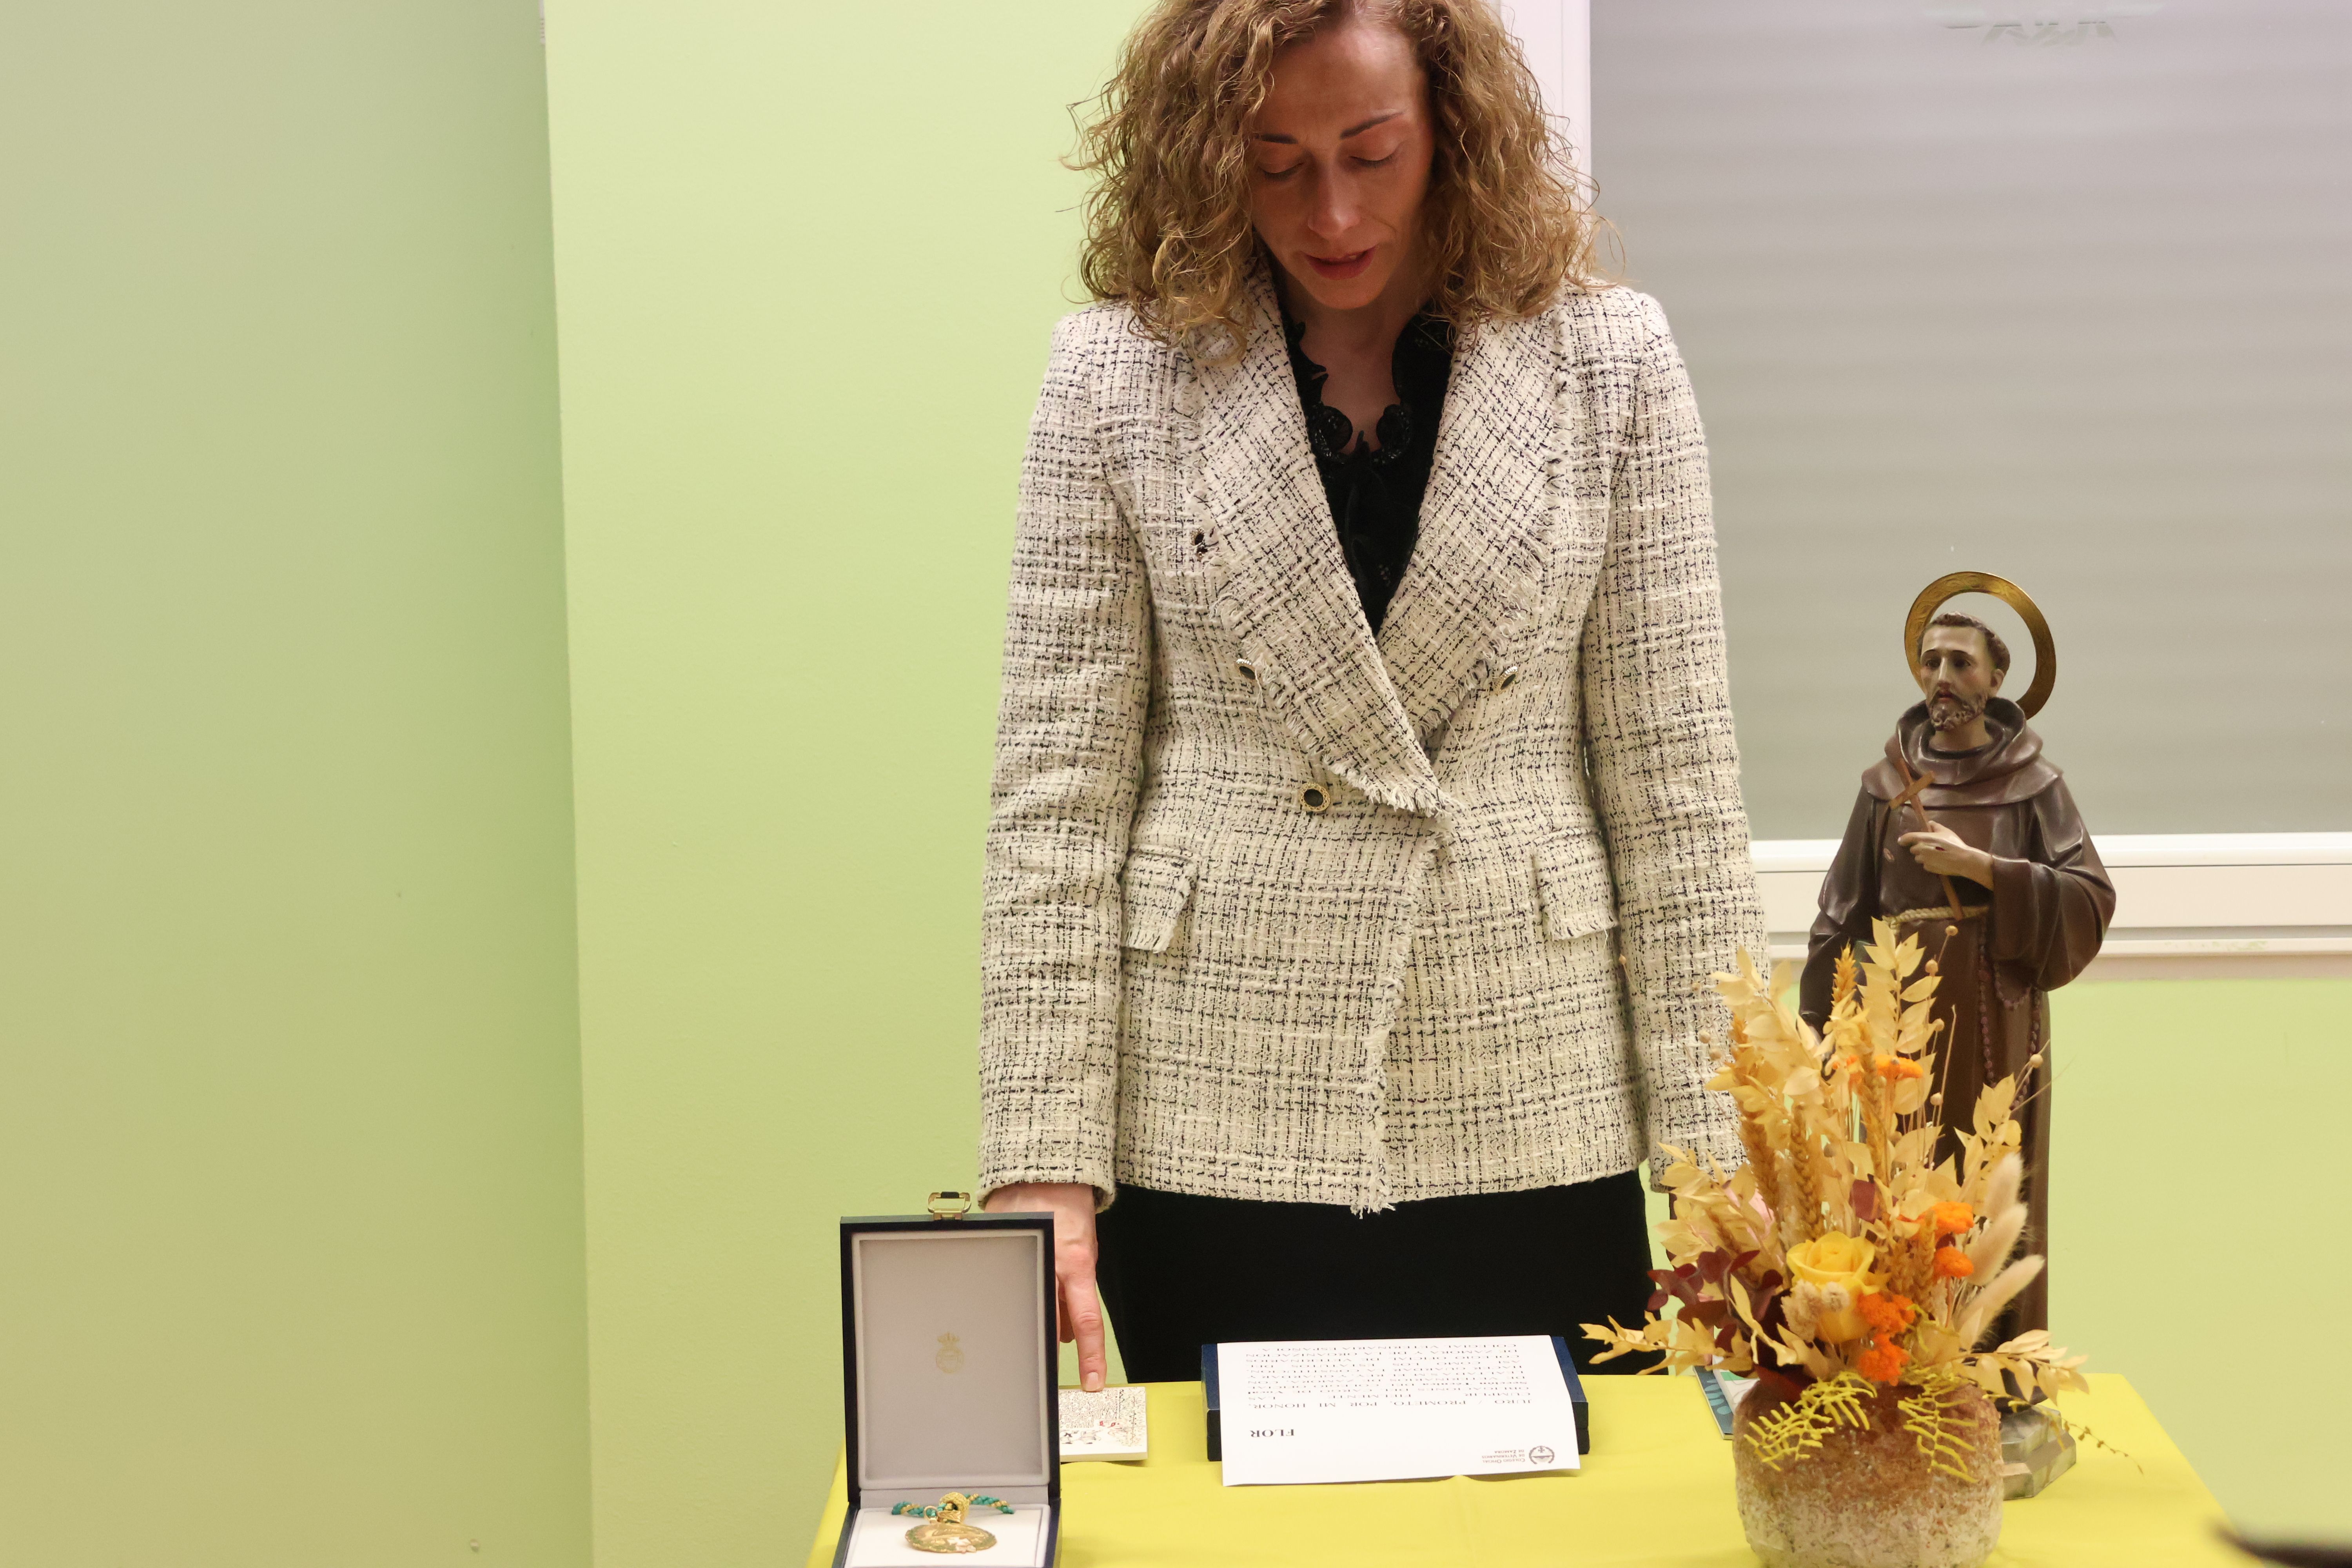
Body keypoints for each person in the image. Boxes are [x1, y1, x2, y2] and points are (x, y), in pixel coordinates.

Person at [979, 0, 1765, 1389]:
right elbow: (1057, 805)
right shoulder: (1115, 375)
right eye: (1274, 161)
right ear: (1205, 154)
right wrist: (1042, 1167)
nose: (1329, 210)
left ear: (1453, 135)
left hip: (1531, 1089)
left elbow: (1679, 797)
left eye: (1372, 152)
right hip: (1213, 1096)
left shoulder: (1609, 365)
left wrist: (1728, 1171)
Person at [1800, 612, 2112, 1346]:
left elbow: (2089, 894)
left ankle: (1996, 1363)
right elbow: (1841, 909)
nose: (1943, 678)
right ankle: (1908, 1358)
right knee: (1903, 1173)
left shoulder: (2035, 784)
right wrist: (1816, 1027)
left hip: (1996, 1017)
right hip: (1902, 1016)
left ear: (1997, 680)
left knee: (1992, 1179)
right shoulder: (1886, 786)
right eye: (1931, 662)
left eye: (1962, 664)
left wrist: (1982, 870)